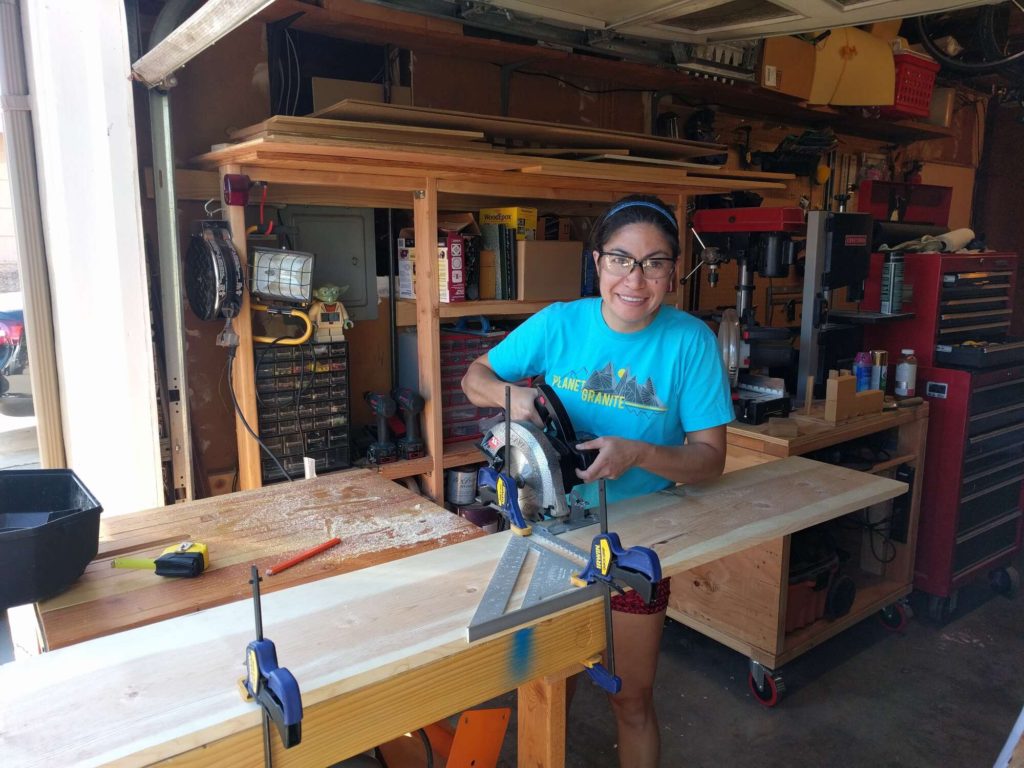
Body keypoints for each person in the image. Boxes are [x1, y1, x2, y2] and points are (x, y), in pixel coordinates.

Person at [461, 194, 733, 768]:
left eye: (654, 263)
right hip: (552, 534)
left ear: (672, 272)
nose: (635, 279)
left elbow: (710, 460)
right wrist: (516, 395)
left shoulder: (691, 342)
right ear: (597, 262)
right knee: (550, 686)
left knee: (631, 700)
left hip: (639, 544)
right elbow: (473, 377)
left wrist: (637, 454)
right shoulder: (561, 323)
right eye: (620, 260)